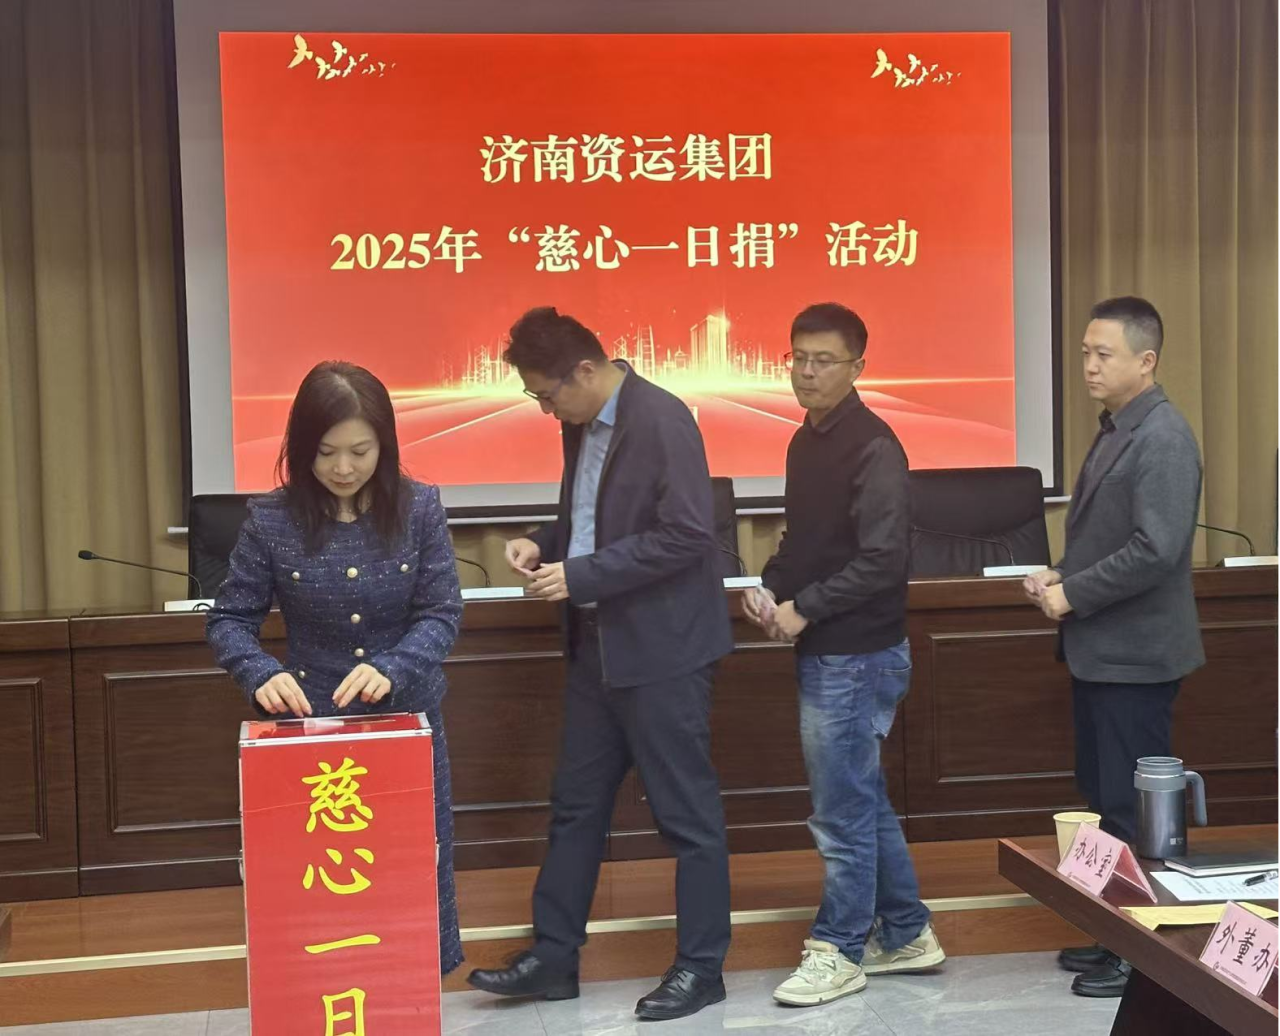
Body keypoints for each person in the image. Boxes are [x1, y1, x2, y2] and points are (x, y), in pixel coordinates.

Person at [466, 307, 734, 1022]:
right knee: (575, 806)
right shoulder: (581, 422)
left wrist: (579, 575)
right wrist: (542, 541)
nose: (545, 409)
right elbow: (593, 520)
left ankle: (701, 968)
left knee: (687, 817)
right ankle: (554, 958)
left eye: (546, 395)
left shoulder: (662, 420)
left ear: (585, 370)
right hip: (598, 651)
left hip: (663, 652)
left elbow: (686, 536)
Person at [206, 360, 464, 973]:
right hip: (312, 730)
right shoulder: (272, 519)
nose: (343, 468)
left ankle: (409, 997)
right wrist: (259, 672)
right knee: (324, 880)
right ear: (302, 449)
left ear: (385, 445)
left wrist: (395, 666)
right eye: (326, 453)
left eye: (360, 451)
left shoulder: (420, 508)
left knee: (408, 868)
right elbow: (229, 619)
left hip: (406, 722)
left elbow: (441, 612)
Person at [745, 302, 945, 1007]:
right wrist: (771, 588)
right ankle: (908, 932)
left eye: (822, 360)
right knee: (859, 799)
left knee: (841, 814)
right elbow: (804, 541)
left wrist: (807, 607)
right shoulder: (806, 439)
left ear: (857, 367)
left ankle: (839, 948)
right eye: (797, 357)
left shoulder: (874, 446)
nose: (805, 371)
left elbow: (885, 561)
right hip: (828, 648)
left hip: (859, 654)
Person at [1024, 296, 1203, 999]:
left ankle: (1146, 957)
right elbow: (1106, 538)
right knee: (1103, 803)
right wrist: (1059, 573)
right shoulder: (1117, 428)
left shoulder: (1163, 436)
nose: (1090, 366)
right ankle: (1114, 934)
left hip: (1137, 657)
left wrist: (1074, 593)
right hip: (1102, 652)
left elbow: (1156, 550)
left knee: (1133, 811)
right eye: (1085, 353)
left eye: (1104, 354)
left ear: (1146, 360)